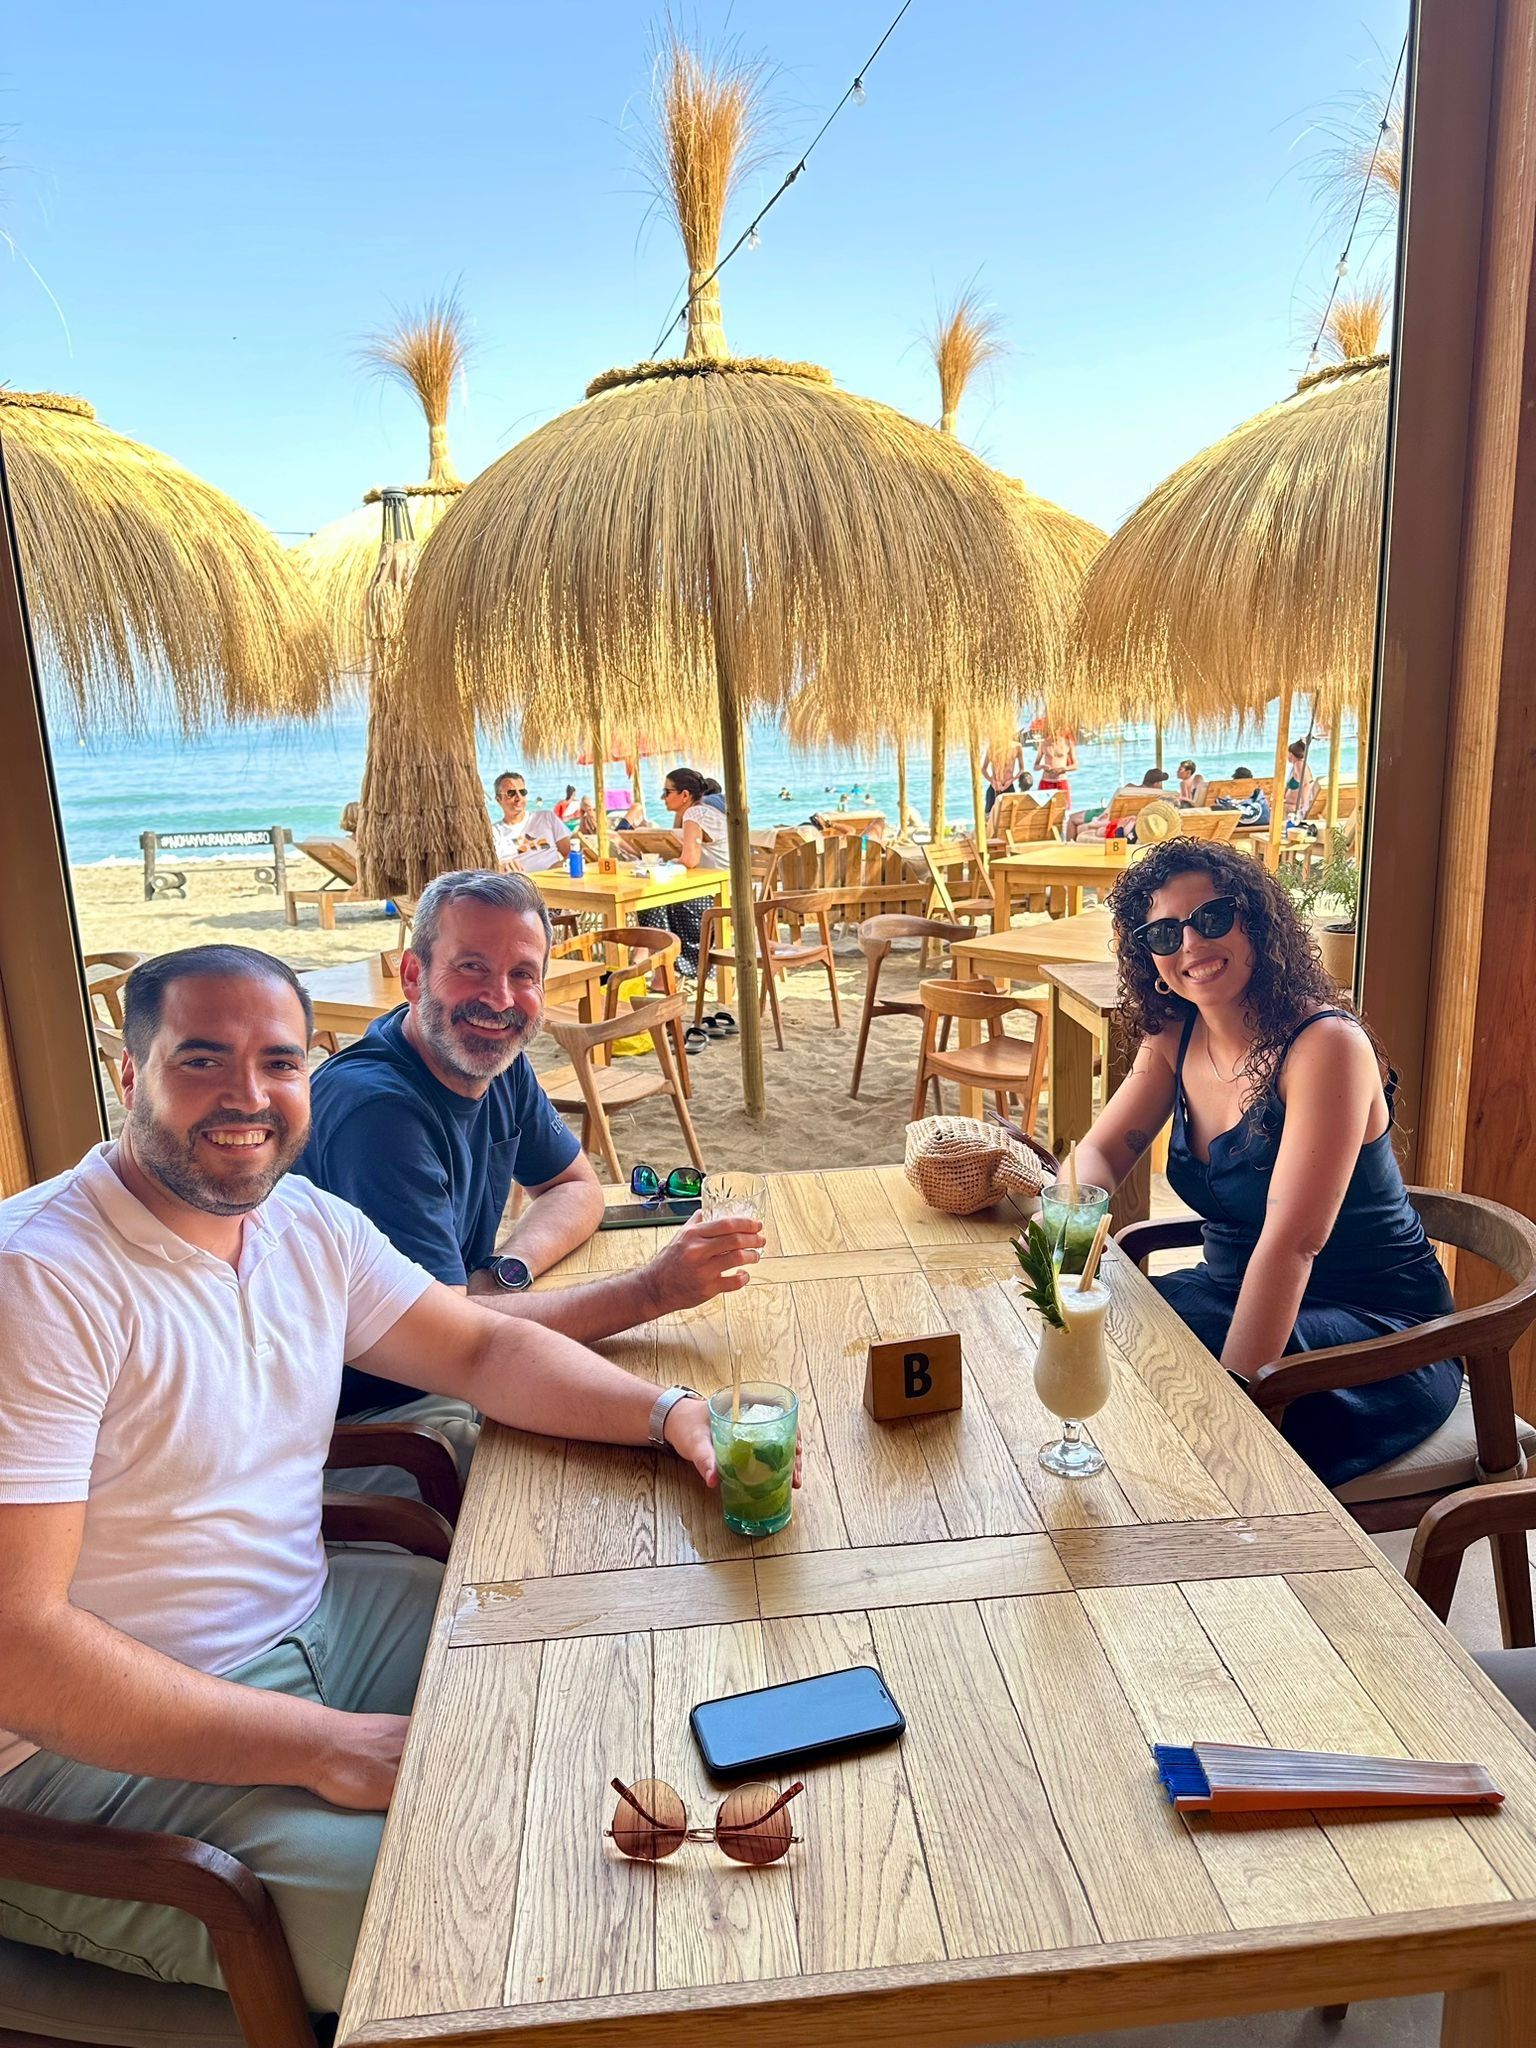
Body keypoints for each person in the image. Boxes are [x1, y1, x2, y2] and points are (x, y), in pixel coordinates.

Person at [0, 945, 752, 2020]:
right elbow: (17, 1646)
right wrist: (328, 1746)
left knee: (612, 1664)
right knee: (471, 1919)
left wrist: (670, 1414)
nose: (248, 1096)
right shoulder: (37, 1280)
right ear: (130, 1072)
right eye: (202, 1060)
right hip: (77, 1749)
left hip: (318, 1617)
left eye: (278, 1060)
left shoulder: (301, 1225)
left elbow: (484, 1351)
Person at [299, 871, 762, 1477]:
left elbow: (574, 1187)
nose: (499, 998)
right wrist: (654, 1291)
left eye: (523, 975)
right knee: (584, 1490)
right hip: (370, 1417)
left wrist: (504, 1271)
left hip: (453, 1364)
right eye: (471, 967)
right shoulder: (378, 1113)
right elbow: (454, 1337)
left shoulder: (493, 1061)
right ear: (414, 976)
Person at [1030, 841, 1462, 1489]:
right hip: (1232, 1293)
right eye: (1164, 931)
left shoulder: (1327, 1047)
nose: (1191, 945)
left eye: (1212, 918)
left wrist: (1235, 1412)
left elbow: (1294, 1244)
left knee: (1172, 1404)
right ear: (1147, 955)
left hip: (1378, 1335)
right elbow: (1101, 1151)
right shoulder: (1176, 1036)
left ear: (1254, 920)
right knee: (1105, 1330)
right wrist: (1060, 1252)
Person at [635, 766, 728, 980]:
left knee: (649, 903)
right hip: (723, 889)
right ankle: (664, 974)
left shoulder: (694, 814)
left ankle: (663, 976)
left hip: (714, 897)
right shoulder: (707, 810)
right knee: (655, 902)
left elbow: (689, 860)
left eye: (667, 792)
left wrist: (666, 863)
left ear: (684, 795)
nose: (662, 797)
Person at [489, 769, 529, 863]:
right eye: (511, 793)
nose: (519, 798)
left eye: (522, 792)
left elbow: (569, 854)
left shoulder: (546, 818)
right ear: (499, 800)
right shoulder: (494, 833)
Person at [982, 732, 1026, 816]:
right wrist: (992, 781)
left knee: (1011, 816)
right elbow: (983, 769)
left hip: (1008, 786)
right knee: (989, 817)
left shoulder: (1016, 747)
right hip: (995, 788)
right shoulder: (992, 748)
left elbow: (1022, 769)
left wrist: (1011, 780)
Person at [1034, 731, 1078, 810]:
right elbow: (1035, 766)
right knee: (1043, 810)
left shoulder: (1067, 743)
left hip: (1061, 781)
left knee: (1063, 811)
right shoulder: (1044, 744)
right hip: (1046, 781)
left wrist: (1064, 768)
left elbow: (1075, 766)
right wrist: (1042, 766)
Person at [1286, 737, 1319, 822]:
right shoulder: (1298, 765)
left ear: (1291, 754)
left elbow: (1306, 784)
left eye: (1288, 753)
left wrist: (1303, 805)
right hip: (1292, 806)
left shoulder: (1298, 765)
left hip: (1296, 808)